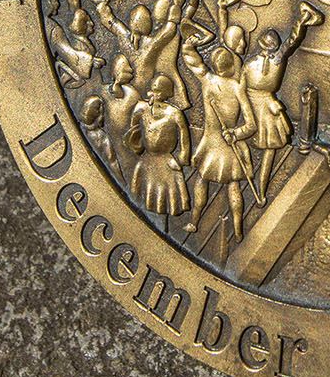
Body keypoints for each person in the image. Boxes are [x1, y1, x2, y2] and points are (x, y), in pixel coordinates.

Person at [184, 40, 256, 244]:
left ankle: (194, 221)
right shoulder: (236, 88)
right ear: (231, 66)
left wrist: (188, 47)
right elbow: (251, 125)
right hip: (226, 142)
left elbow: (193, 62)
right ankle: (238, 230)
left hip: (214, 144)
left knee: (202, 179)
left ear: (215, 66)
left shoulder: (207, 80)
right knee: (232, 186)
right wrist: (236, 133)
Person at [241, 6, 320, 192]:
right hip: (268, 108)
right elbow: (291, 41)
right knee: (269, 150)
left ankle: (252, 181)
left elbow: (240, 88)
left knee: (250, 142)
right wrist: (301, 20)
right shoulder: (278, 59)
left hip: (253, 106)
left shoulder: (249, 64)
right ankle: (260, 187)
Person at [127, 75, 193, 224]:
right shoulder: (142, 108)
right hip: (147, 160)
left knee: (168, 199)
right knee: (142, 195)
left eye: (159, 90)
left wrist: (182, 159)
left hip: (167, 162)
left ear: (167, 93)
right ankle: (145, 223)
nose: (155, 93)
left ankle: (164, 225)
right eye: (153, 89)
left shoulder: (175, 113)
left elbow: (184, 138)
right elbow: (133, 131)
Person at [99, 56, 141, 169]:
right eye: (125, 69)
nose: (130, 71)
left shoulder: (132, 94)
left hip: (128, 137)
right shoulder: (104, 92)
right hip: (112, 136)